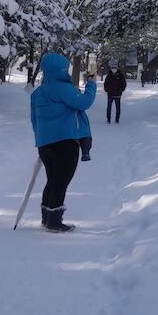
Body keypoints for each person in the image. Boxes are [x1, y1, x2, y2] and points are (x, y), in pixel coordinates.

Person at [29, 52, 96, 232]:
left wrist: (41, 140)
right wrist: (91, 85)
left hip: (44, 144)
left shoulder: (37, 93)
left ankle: (46, 217)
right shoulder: (63, 88)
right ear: (60, 70)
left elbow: (34, 120)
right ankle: (54, 221)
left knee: (52, 179)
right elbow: (84, 103)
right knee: (61, 181)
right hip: (65, 142)